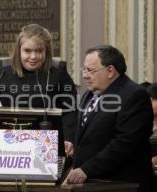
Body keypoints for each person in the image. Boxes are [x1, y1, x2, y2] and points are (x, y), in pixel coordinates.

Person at [65, 45, 154, 192]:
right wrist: (74, 145)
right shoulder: (90, 94)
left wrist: (87, 169)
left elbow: (124, 143)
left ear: (110, 71)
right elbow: (89, 134)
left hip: (122, 184)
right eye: (84, 69)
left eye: (90, 70)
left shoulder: (134, 95)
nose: (85, 75)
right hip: (91, 183)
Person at [0, 24, 77, 154]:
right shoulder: (2, 70)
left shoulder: (58, 71)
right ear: (18, 50)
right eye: (27, 51)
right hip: (9, 142)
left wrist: (68, 138)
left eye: (39, 51)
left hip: (48, 143)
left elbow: (70, 110)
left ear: (46, 51)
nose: (33, 56)